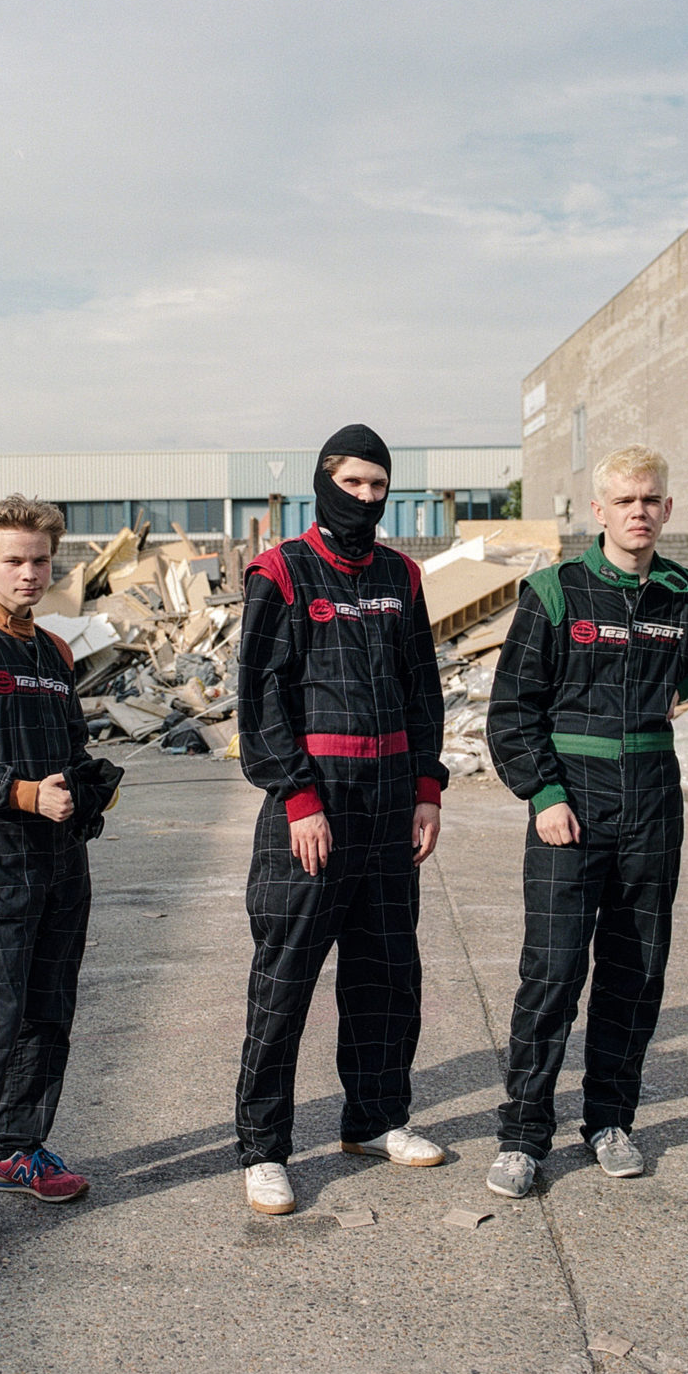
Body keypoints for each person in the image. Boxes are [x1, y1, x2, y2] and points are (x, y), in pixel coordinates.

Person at [483, 446, 688, 1198]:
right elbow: (510, 713)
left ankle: (609, 1121)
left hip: (652, 803)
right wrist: (544, 797)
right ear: (597, 512)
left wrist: (681, 680)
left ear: (668, 509)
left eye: (651, 499)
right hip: (572, 802)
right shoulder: (555, 592)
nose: (639, 511)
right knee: (554, 971)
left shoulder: (684, 594)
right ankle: (522, 1134)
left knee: (635, 974)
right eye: (625, 501)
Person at [233, 424, 450, 1215]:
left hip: (391, 805)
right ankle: (263, 1148)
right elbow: (257, 700)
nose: (365, 498)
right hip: (313, 810)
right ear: (323, 482)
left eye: (377, 485)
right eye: (352, 483)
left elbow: (424, 688)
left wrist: (428, 788)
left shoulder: (402, 576)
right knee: (285, 979)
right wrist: (297, 797)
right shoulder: (281, 572)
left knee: (387, 975)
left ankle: (376, 1117)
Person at [0, 494, 122, 1266]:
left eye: (40, 560)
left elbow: (66, 746)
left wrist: (88, 787)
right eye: (13, 560)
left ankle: (19, 1149)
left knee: (48, 1016)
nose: (29, 573)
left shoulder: (56, 652)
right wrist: (28, 794)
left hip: (61, 858)